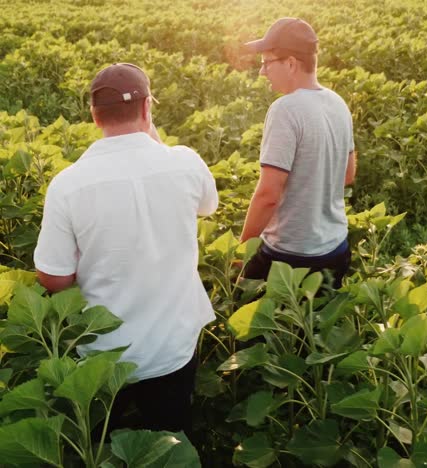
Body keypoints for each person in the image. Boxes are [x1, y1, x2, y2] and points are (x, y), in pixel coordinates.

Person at [34, 63, 218, 435]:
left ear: (93, 116)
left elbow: (53, 277)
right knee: (167, 444)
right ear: (149, 108)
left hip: (105, 356)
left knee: (101, 445)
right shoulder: (184, 162)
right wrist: (154, 140)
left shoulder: (68, 185)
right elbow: (208, 206)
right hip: (173, 349)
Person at [240, 18, 356, 288]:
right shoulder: (337, 103)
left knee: (245, 322)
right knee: (317, 328)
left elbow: (268, 195)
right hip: (336, 249)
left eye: (266, 62)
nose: (262, 72)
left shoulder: (286, 109)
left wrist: (241, 252)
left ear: (290, 63)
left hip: (290, 257)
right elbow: (348, 175)